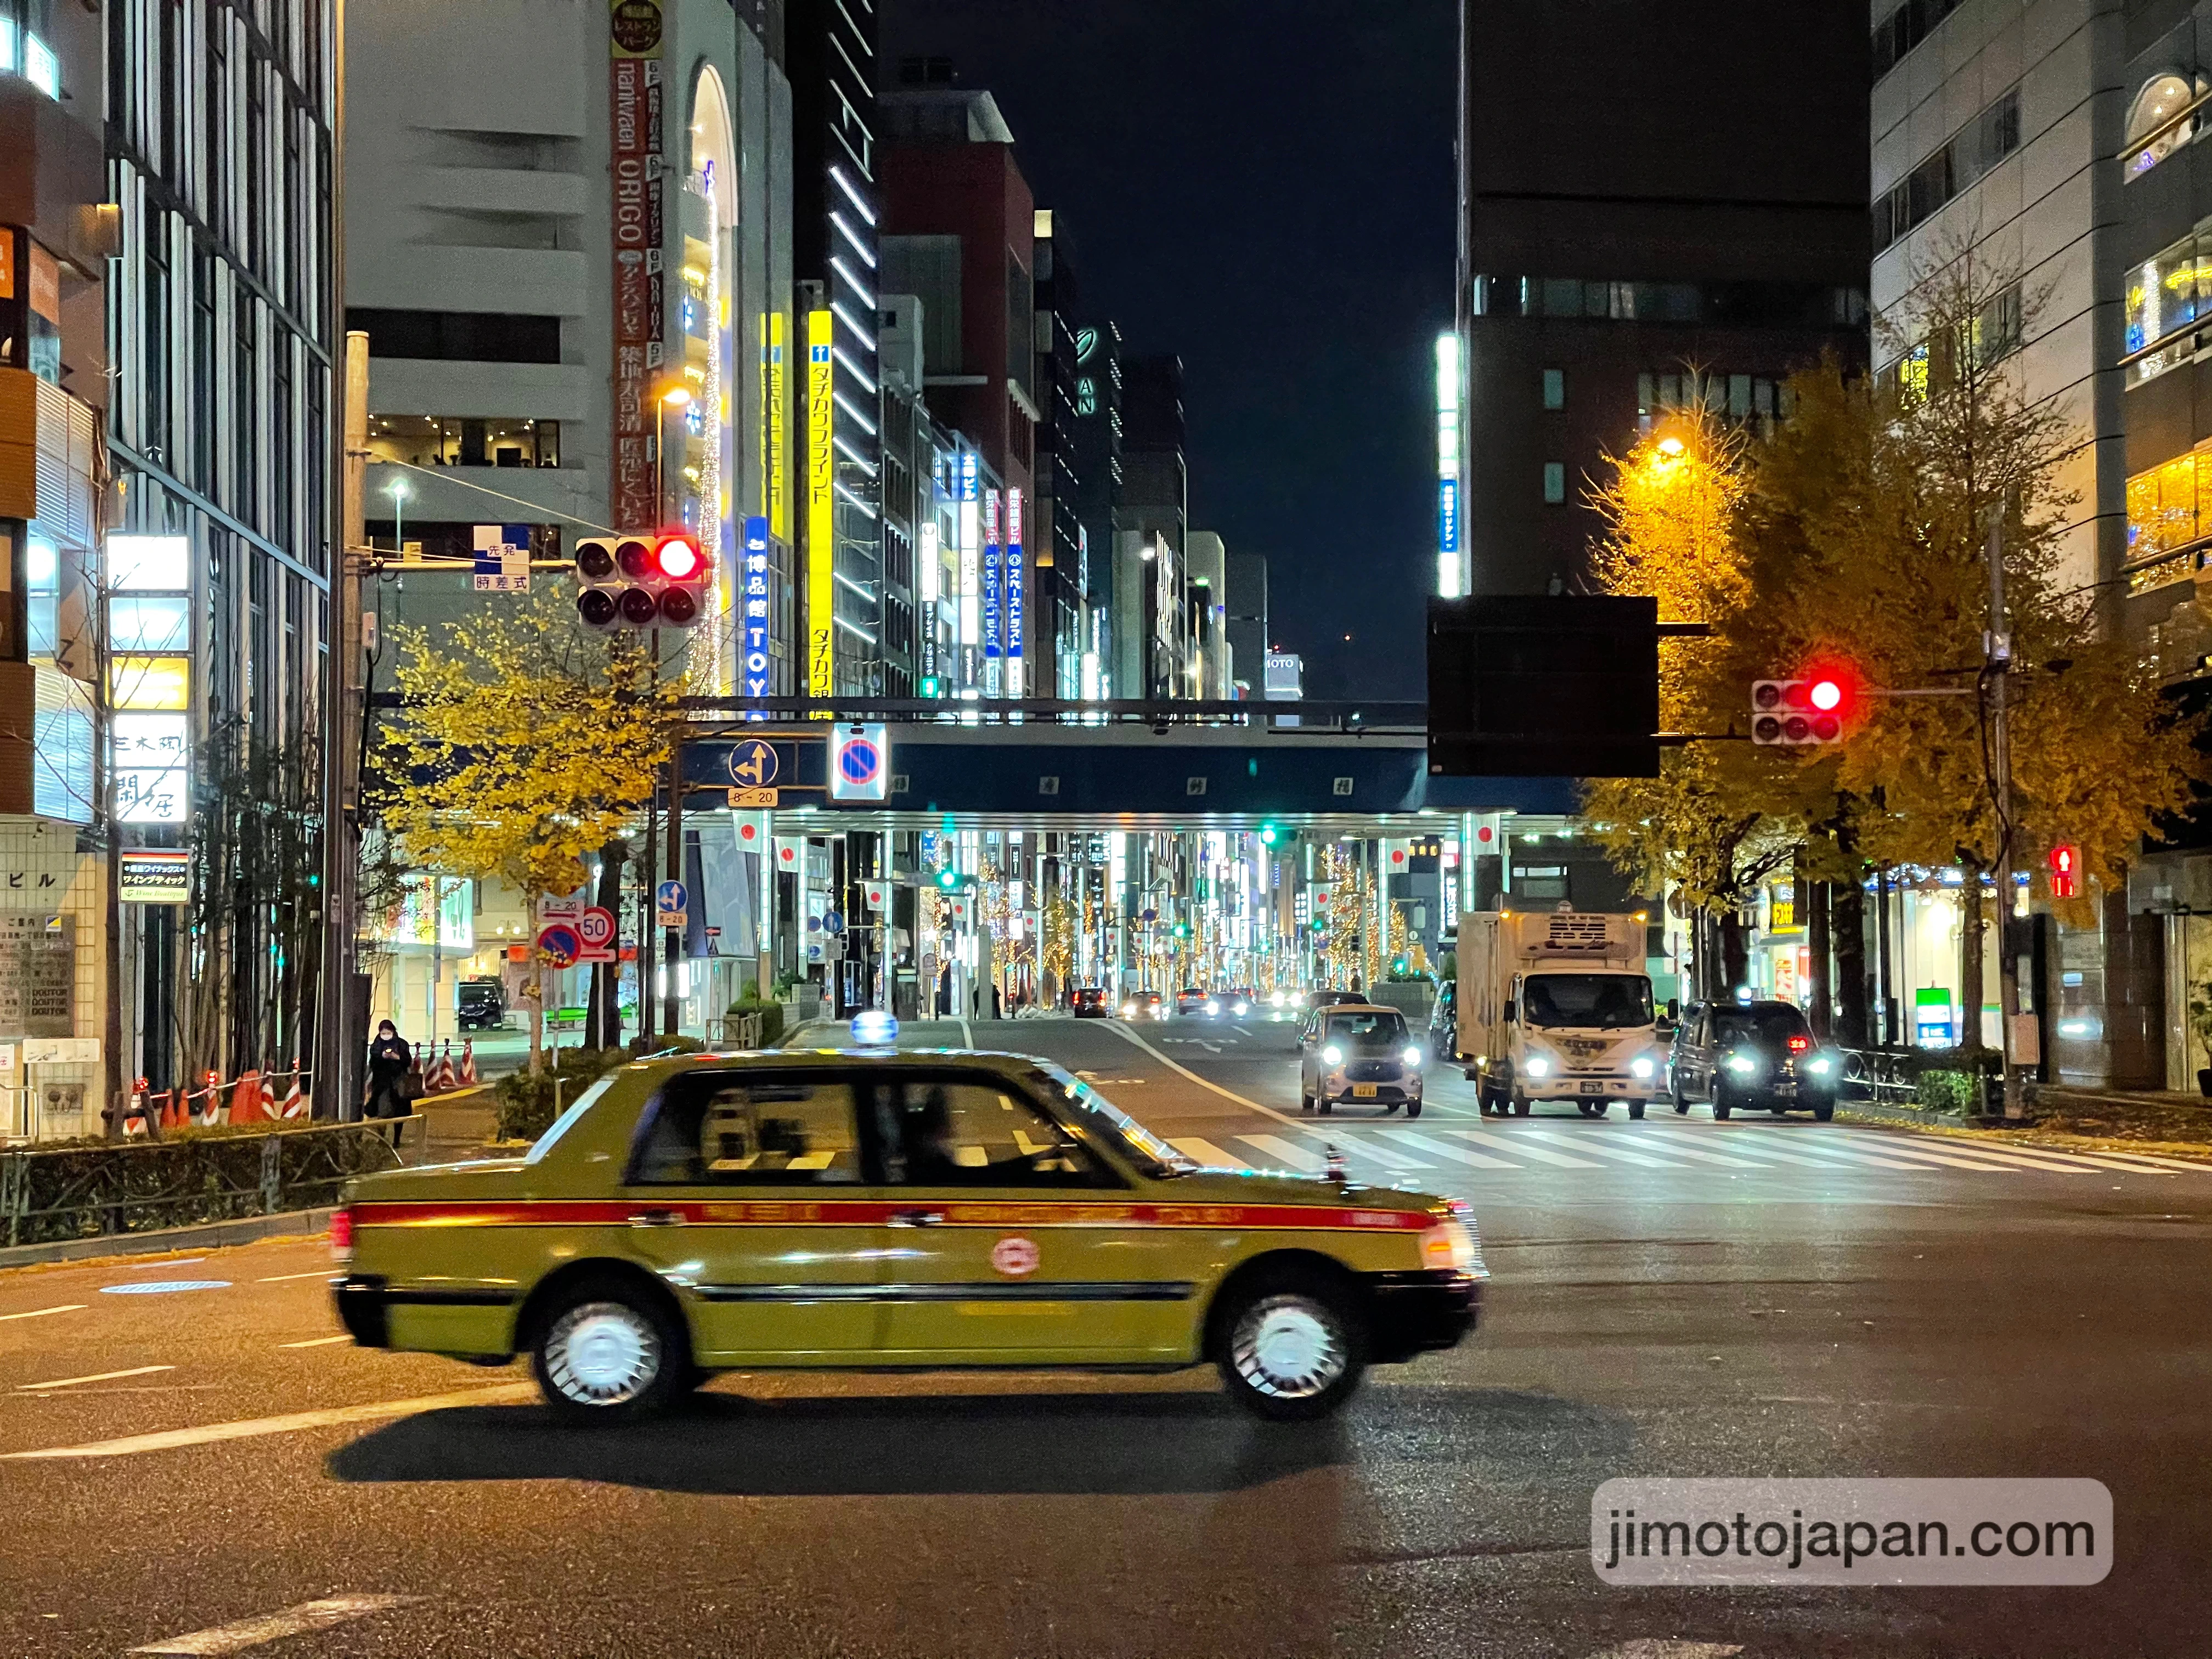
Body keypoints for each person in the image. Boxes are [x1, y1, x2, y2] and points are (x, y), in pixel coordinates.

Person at [364, 1020, 413, 1121]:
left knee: (400, 1112)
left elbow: (408, 1061)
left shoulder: (402, 1044)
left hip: (399, 1081)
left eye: (388, 1033)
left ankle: (397, 1136)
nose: (386, 1035)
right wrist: (381, 1057)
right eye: (383, 1033)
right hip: (382, 1083)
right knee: (383, 1111)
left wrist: (397, 1057)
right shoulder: (376, 1046)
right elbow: (373, 1064)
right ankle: (381, 1134)